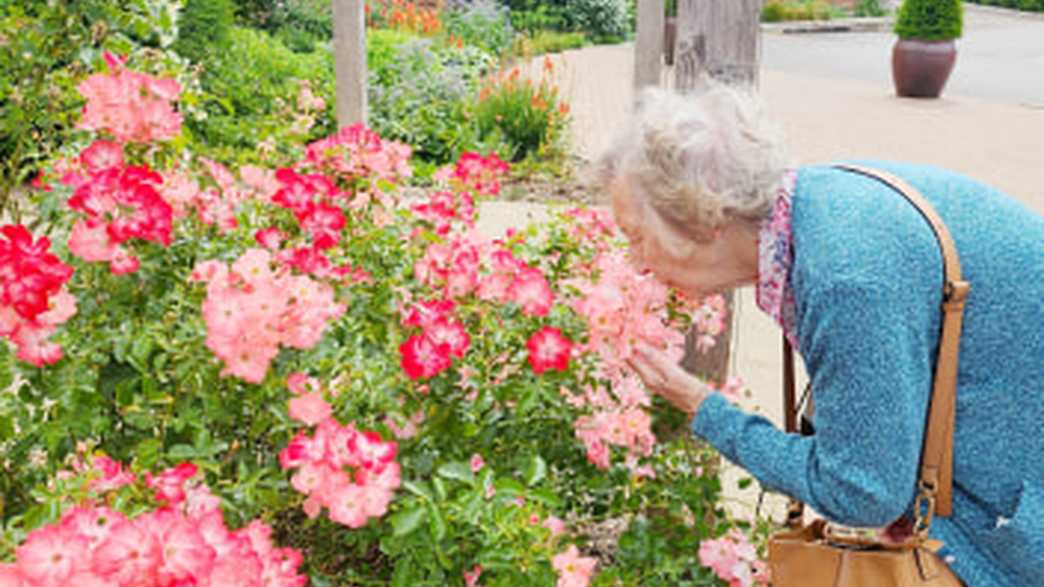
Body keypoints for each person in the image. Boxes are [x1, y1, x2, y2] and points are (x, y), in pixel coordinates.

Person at [594, 85, 1044, 587]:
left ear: (705, 218)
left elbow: (862, 491)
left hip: (1017, 513)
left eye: (636, 236)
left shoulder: (847, 276)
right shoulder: (816, 211)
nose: (635, 263)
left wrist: (703, 407)